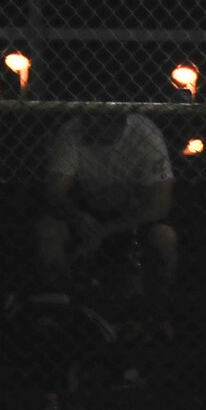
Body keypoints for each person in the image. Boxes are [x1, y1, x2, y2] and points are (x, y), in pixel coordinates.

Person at [35, 111, 178, 308]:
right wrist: (78, 217)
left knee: (164, 237)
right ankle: (62, 303)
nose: (88, 124)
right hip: (88, 212)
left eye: (96, 119)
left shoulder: (145, 134)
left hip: (133, 216)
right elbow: (54, 192)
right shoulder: (73, 130)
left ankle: (157, 308)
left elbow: (160, 206)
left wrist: (104, 231)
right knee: (48, 230)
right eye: (87, 117)